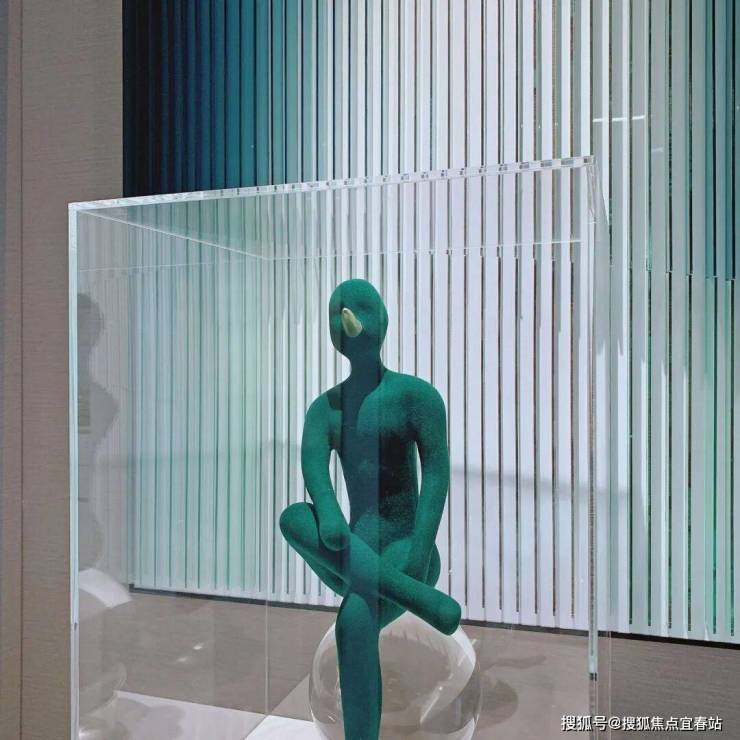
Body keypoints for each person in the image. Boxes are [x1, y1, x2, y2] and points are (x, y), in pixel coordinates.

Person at [280, 278, 461, 740]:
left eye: (360, 310)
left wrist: (419, 551)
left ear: (383, 321)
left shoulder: (416, 396)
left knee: (354, 623)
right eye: (339, 313)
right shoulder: (326, 409)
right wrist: (328, 511)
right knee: (294, 516)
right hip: (350, 546)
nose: (349, 320)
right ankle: (413, 596)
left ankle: (399, 583)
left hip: (404, 547)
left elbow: (436, 473)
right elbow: (313, 466)